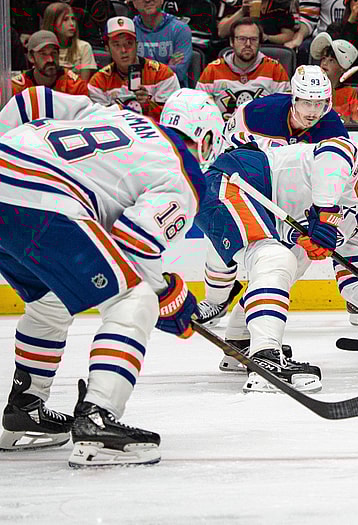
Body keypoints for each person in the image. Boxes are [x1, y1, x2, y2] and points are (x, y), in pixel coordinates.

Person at [0, 87, 224, 466]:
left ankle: (26, 409)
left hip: (10, 174)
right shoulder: (184, 172)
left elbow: (31, 99)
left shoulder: (117, 113)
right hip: (46, 199)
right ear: (205, 140)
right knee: (134, 300)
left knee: (49, 303)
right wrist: (169, 297)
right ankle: (98, 418)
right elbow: (134, 244)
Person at [194, 140, 358, 392]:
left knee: (295, 260)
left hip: (254, 202)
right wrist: (326, 213)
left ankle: (241, 339)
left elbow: (354, 276)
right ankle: (265, 356)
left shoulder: (353, 221)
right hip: (231, 182)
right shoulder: (354, 161)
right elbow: (332, 155)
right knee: (276, 259)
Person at [195, 66, 352, 362]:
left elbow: (330, 181)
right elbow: (227, 159)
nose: (312, 112)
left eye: (320, 104)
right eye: (306, 102)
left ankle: (245, 330)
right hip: (248, 190)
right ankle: (215, 301)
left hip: (291, 202)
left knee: (288, 263)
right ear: (293, 98)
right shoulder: (256, 113)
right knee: (223, 244)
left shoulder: (333, 129)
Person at [197, 17, 290, 120]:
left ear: (260, 42)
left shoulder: (275, 69)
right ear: (232, 42)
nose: (248, 44)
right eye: (242, 39)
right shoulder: (212, 70)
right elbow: (198, 110)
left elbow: (284, 112)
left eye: (253, 39)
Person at [88, 16, 180, 122]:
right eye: (116, 45)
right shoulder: (98, 82)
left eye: (129, 43)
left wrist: (148, 106)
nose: (123, 50)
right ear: (107, 49)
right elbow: (98, 122)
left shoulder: (162, 74)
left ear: (136, 45)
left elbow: (173, 118)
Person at [131, 0, 193, 87]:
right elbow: (125, 72)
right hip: (137, 92)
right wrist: (167, 67)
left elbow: (179, 73)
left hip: (173, 94)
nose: (148, 0)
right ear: (134, 3)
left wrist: (142, 72)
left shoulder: (180, 29)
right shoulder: (129, 31)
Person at [12, 30, 90, 96]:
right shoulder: (17, 88)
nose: (50, 59)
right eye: (43, 54)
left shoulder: (75, 85)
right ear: (31, 57)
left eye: (54, 53)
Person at [311, 32, 358, 123]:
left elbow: (356, 122)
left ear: (342, 68)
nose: (325, 63)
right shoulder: (310, 88)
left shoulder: (349, 93)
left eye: (331, 61)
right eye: (323, 58)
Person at [41, 2, 98, 81]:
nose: (72, 24)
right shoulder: (42, 48)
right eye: (65, 19)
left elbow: (83, 84)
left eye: (73, 19)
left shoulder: (84, 47)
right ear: (52, 23)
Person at [217, 0, 300, 45]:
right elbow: (222, 32)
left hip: (268, 49)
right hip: (239, 49)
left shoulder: (280, 5)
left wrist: (267, 37)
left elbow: (288, 36)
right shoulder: (237, 3)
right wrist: (241, 12)